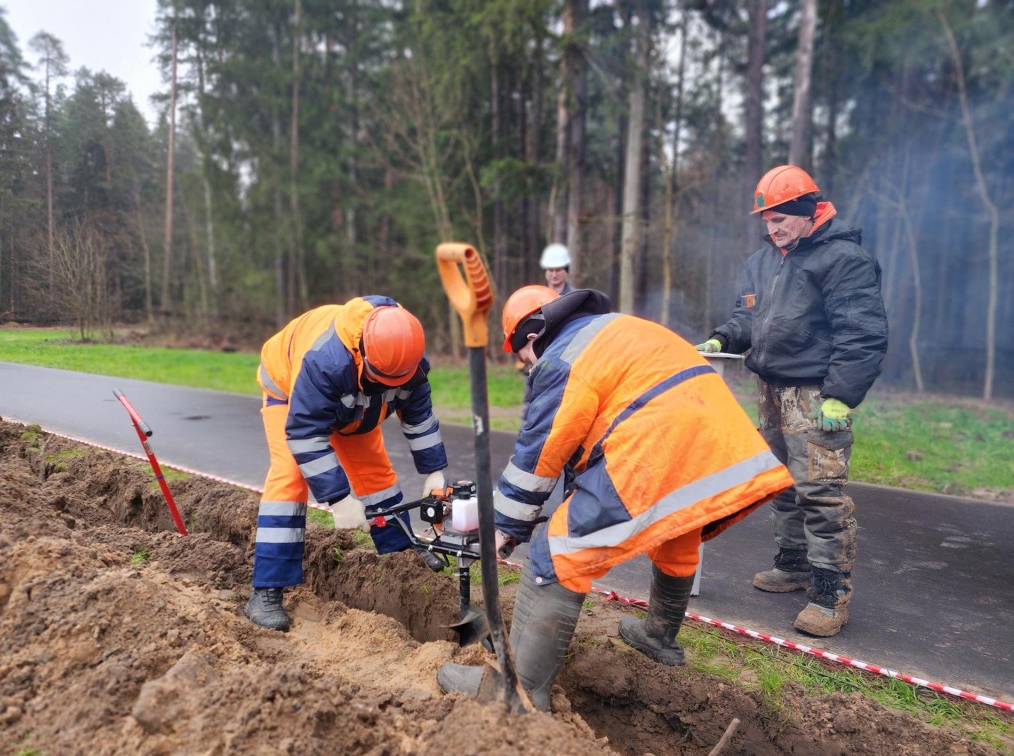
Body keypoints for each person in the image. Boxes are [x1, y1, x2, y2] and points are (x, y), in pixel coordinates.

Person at [437, 286, 793, 711]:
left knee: (558, 548)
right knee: (678, 531)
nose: (523, 366)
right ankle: (659, 637)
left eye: (520, 356)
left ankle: (517, 692)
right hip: (720, 442)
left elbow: (542, 450)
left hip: (657, 442)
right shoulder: (613, 332)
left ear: (529, 338)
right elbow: (583, 455)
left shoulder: (562, 357)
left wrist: (506, 526)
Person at [696, 165, 888, 637]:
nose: (772, 227)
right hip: (770, 392)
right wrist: (722, 338)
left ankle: (829, 595)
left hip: (816, 396)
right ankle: (794, 565)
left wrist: (841, 396)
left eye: (781, 218)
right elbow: (749, 317)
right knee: (782, 484)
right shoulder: (764, 260)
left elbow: (861, 334)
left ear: (809, 212)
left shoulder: (844, 259)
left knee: (821, 493)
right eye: (766, 219)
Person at [245, 295, 449, 631]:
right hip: (290, 391)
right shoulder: (325, 361)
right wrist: (338, 498)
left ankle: (402, 557)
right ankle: (266, 590)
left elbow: (419, 417)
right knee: (290, 478)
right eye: (385, 381)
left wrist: (434, 471)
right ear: (363, 355)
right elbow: (305, 434)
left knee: (376, 472)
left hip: (354, 402)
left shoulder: (406, 354)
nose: (393, 388)